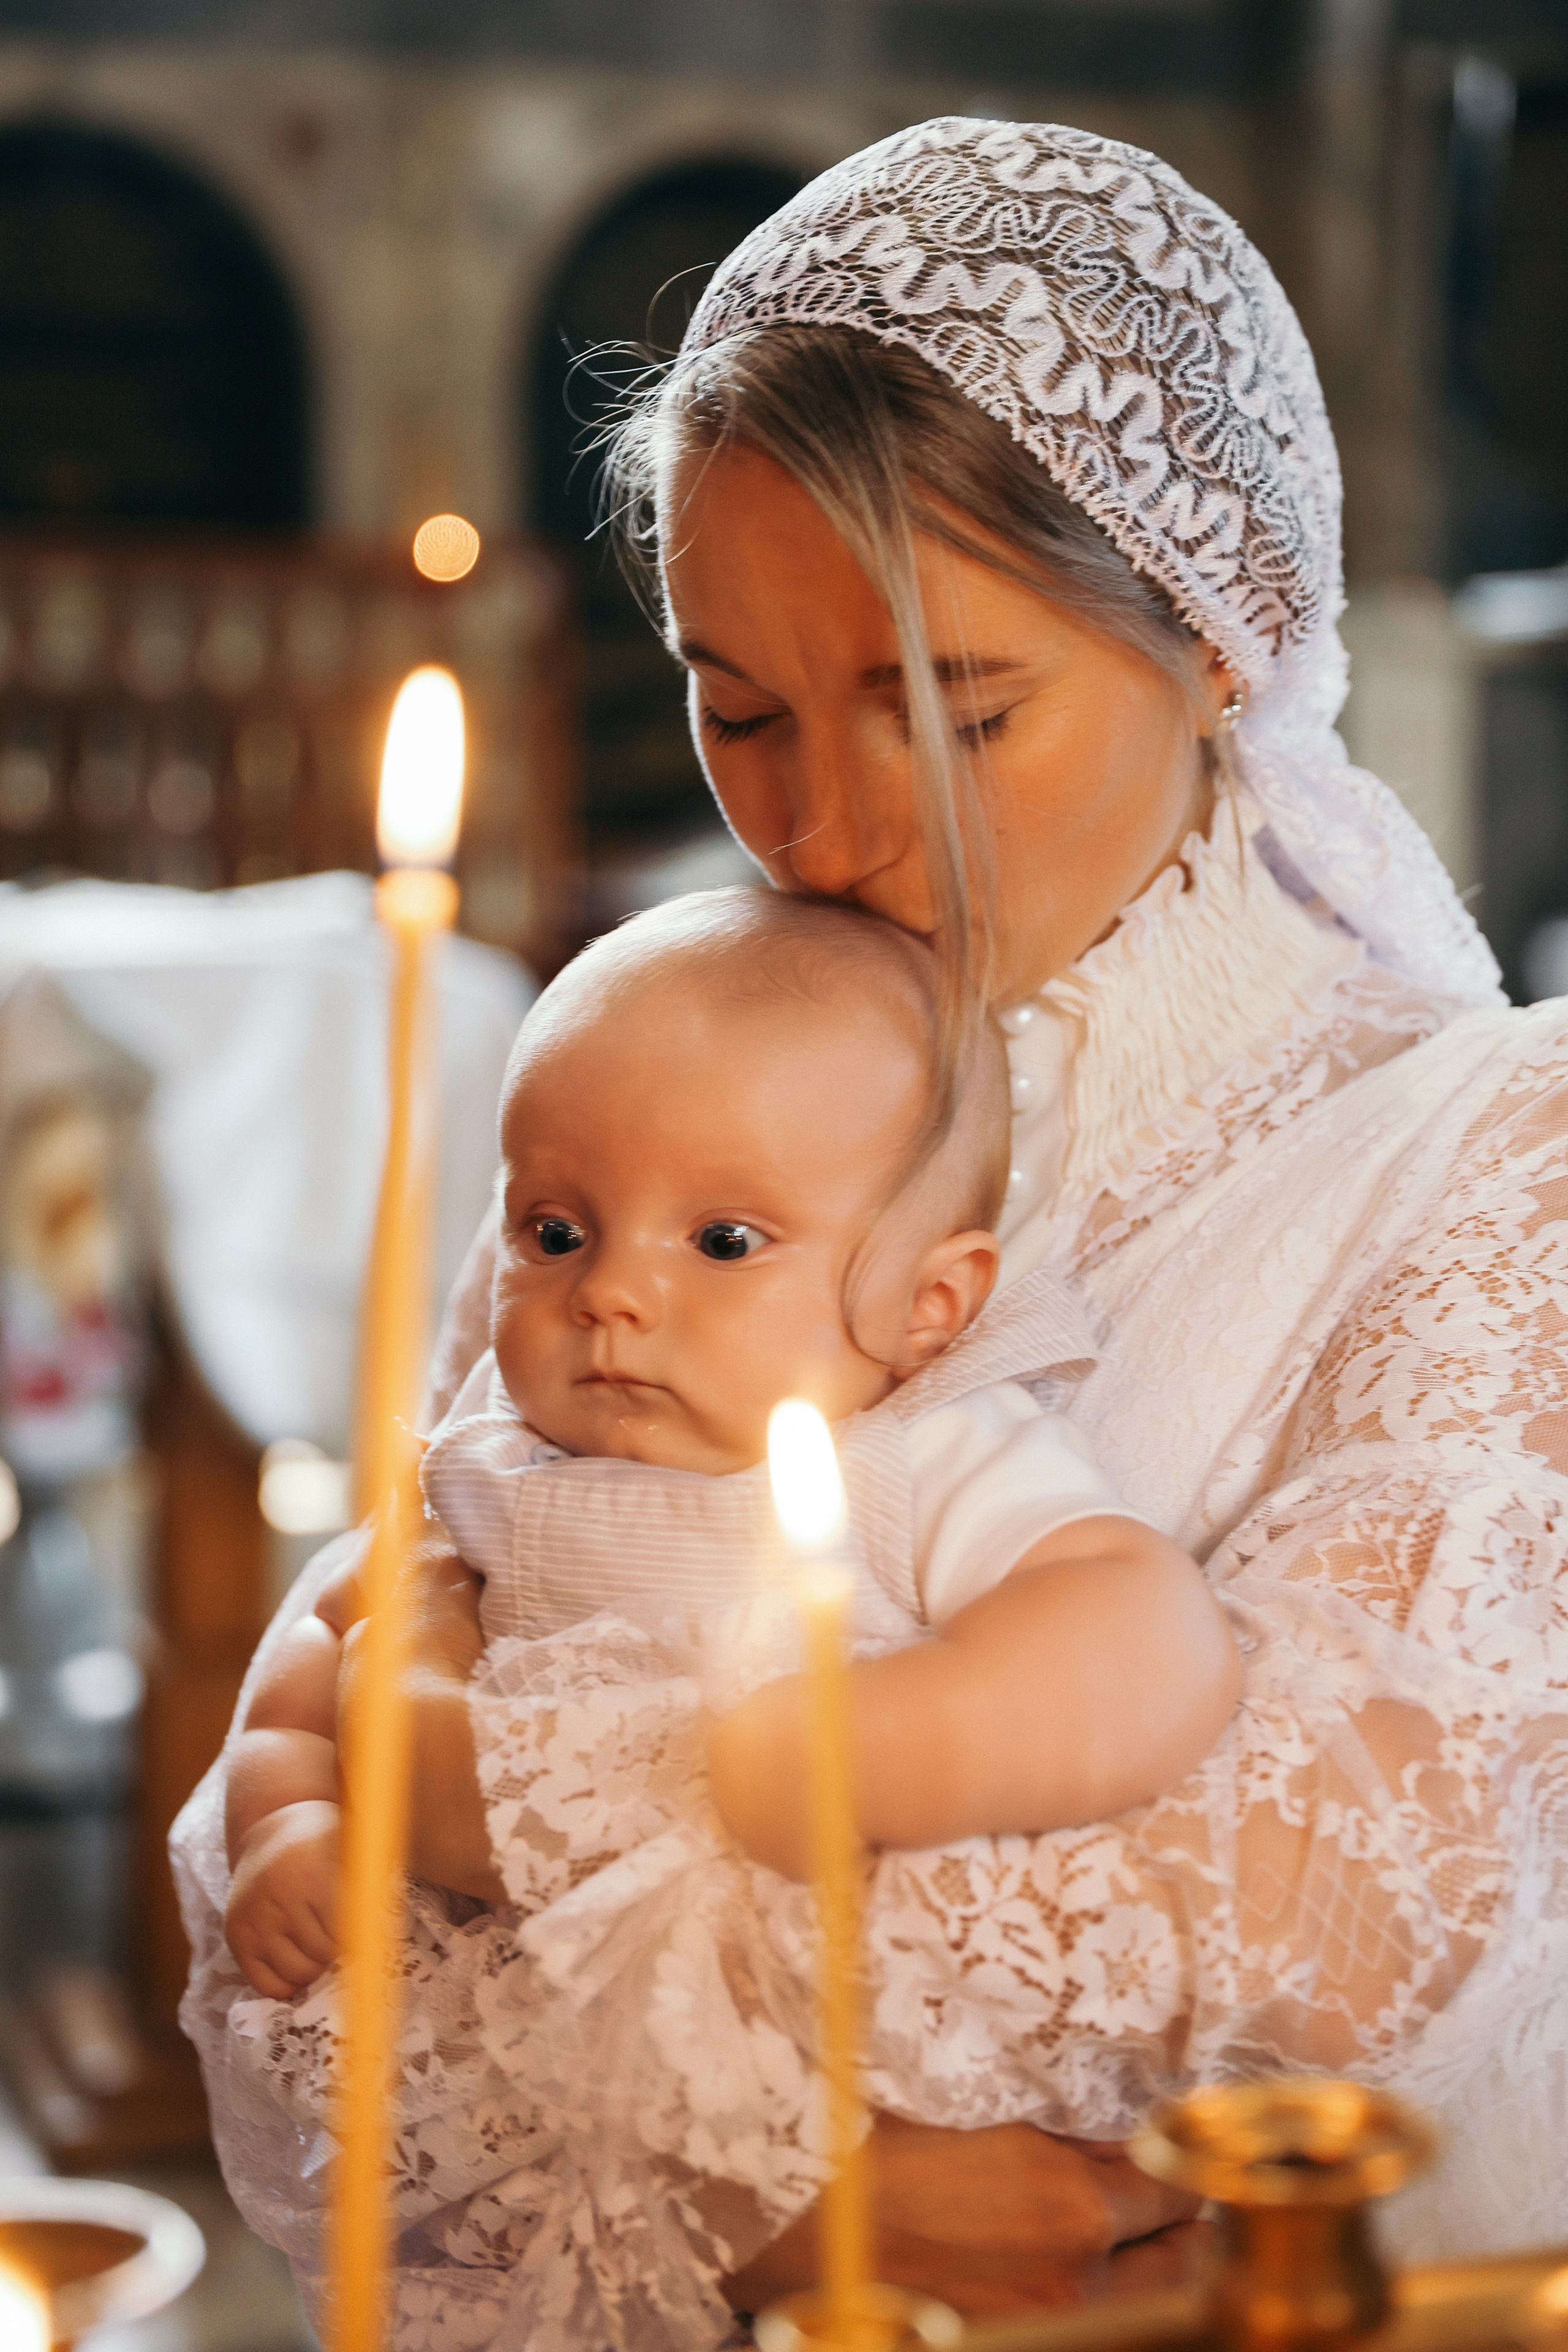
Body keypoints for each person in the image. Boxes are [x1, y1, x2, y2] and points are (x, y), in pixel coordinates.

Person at [172, 115, 1568, 2340]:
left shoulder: (1500, 1148)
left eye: (958, 709)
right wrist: (771, 2202)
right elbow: (279, 2001)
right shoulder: (678, 1078)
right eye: (735, 710)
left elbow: (1322, 1925)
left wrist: (494, 1835)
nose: (824, 826)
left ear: (1228, 636)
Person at [216, 889, 1238, 2350]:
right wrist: (285, 1817)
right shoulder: (495, 1459)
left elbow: (1143, 1626)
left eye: (722, 1239)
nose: (612, 1292)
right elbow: (324, 1648)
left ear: (930, 1303)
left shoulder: (921, 1457)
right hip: (539, 2076)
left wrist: (888, 1736)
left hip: (837, 2074)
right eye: (556, 1229)